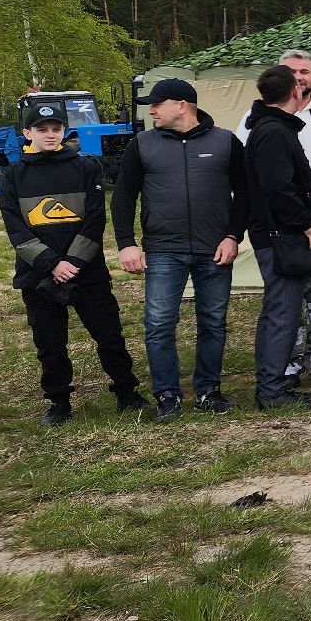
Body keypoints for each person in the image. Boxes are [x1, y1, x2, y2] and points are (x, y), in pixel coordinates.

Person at [1, 99, 152, 425]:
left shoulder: (86, 167)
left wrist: (72, 261)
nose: (50, 134)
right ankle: (59, 402)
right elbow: (15, 227)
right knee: (50, 343)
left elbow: (95, 219)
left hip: (87, 271)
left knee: (109, 335)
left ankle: (127, 393)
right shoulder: (13, 175)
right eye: (42, 129)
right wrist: (51, 264)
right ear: (27, 133)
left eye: (56, 129)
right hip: (38, 275)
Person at [111, 77, 247, 422]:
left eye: (157, 104)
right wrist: (127, 244)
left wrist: (233, 236)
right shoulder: (142, 145)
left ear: (182, 105)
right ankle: (167, 396)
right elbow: (123, 196)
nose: (152, 111)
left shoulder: (225, 142)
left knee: (213, 322)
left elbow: (246, 193)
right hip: (163, 249)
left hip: (214, 248)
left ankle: (208, 392)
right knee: (158, 324)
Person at [237, 49, 311, 381]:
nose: (299, 77)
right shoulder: (263, 122)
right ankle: (287, 362)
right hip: (284, 224)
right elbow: (258, 173)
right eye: (292, 72)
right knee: (287, 295)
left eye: (305, 72)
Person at [241, 65, 311, 409]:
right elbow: (278, 187)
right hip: (280, 235)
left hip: (275, 232)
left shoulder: (270, 128)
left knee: (278, 309)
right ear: (295, 91)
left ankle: (270, 384)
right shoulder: (273, 132)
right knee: (283, 311)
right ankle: (272, 391)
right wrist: (307, 222)